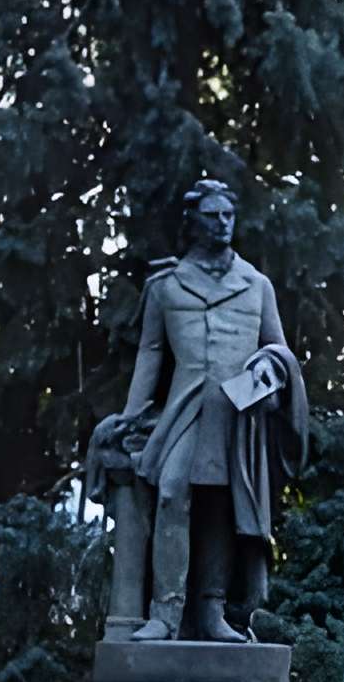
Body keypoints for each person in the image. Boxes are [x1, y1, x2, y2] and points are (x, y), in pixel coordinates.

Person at [98, 179, 306, 641]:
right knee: (172, 493)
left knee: (221, 508)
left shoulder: (257, 285)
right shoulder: (166, 286)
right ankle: (165, 614)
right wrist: (132, 414)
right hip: (185, 408)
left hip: (238, 413)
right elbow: (151, 353)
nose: (223, 223)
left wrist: (268, 370)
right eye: (212, 216)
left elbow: (278, 348)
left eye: (228, 215)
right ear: (193, 222)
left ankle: (213, 614)